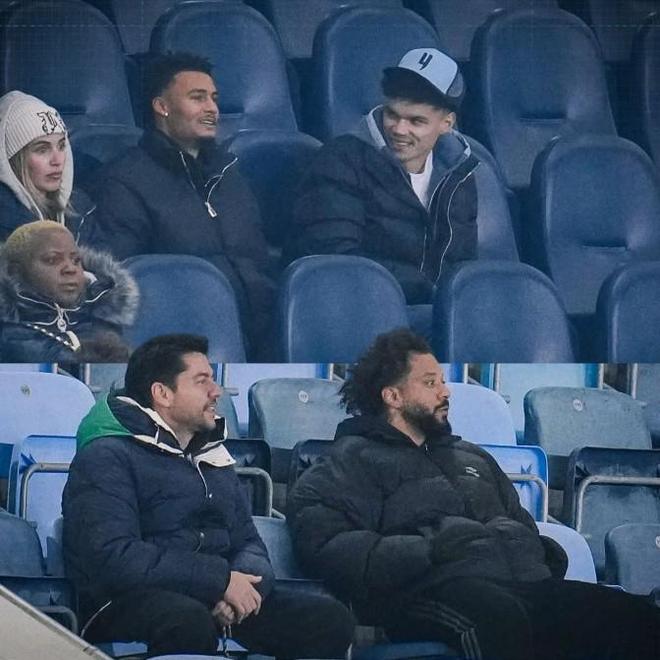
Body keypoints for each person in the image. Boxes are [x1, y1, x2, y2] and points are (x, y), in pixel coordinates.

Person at [287, 328, 660, 660]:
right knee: (499, 619)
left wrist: (539, 551)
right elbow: (327, 544)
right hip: (427, 591)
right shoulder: (349, 459)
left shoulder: (473, 456)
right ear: (393, 396)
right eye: (430, 383)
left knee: (629, 615)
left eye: (443, 381)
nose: (445, 391)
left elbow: (521, 525)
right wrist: (430, 549)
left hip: (521, 584)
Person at [62, 334, 354, 658]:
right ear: (162, 394)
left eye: (213, 380)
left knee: (329, 619)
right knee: (187, 621)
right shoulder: (105, 457)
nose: (216, 392)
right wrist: (219, 581)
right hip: (125, 602)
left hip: (213, 596)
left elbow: (248, 542)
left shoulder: (213, 455)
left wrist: (245, 589)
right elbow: (114, 558)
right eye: (202, 382)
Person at [89, 52, 275, 359]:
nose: (212, 109)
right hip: (179, 342)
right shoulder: (123, 181)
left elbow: (257, 261)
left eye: (214, 98)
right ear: (161, 106)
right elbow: (121, 282)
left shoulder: (229, 172)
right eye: (197, 98)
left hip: (260, 335)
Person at [288, 48, 479, 306]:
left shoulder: (459, 174)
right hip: (359, 308)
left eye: (416, 121)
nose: (399, 129)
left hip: (436, 311)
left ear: (446, 123)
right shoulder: (341, 160)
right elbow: (336, 259)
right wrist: (428, 289)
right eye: (392, 114)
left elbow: (461, 261)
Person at [0, 220, 137, 362]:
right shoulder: (8, 337)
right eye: (52, 260)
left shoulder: (104, 322)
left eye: (76, 260)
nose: (71, 269)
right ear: (15, 272)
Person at [0, 91, 95, 242]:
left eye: (61, 146)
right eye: (42, 150)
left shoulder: (81, 209)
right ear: (14, 160)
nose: (57, 160)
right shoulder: (5, 221)